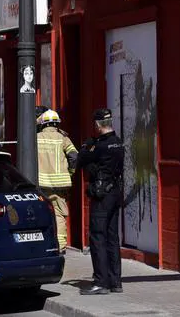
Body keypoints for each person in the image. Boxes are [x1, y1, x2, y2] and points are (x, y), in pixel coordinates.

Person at [77, 108, 125, 295]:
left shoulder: (99, 146)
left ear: (97, 125)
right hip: (115, 193)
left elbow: (81, 160)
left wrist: (86, 146)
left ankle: (101, 283)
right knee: (112, 238)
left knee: (97, 237)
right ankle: (116, 282)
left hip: (101, 194)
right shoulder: (118, 143)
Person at [36, 109, 78, 254]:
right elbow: (74, 157)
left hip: (41, 184)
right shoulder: (63, 138)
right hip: (60, 185)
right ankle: (60, 247)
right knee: (59, 215)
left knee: (40, 213)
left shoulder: (36, 137)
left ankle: (43, 245)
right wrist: (70, 174)